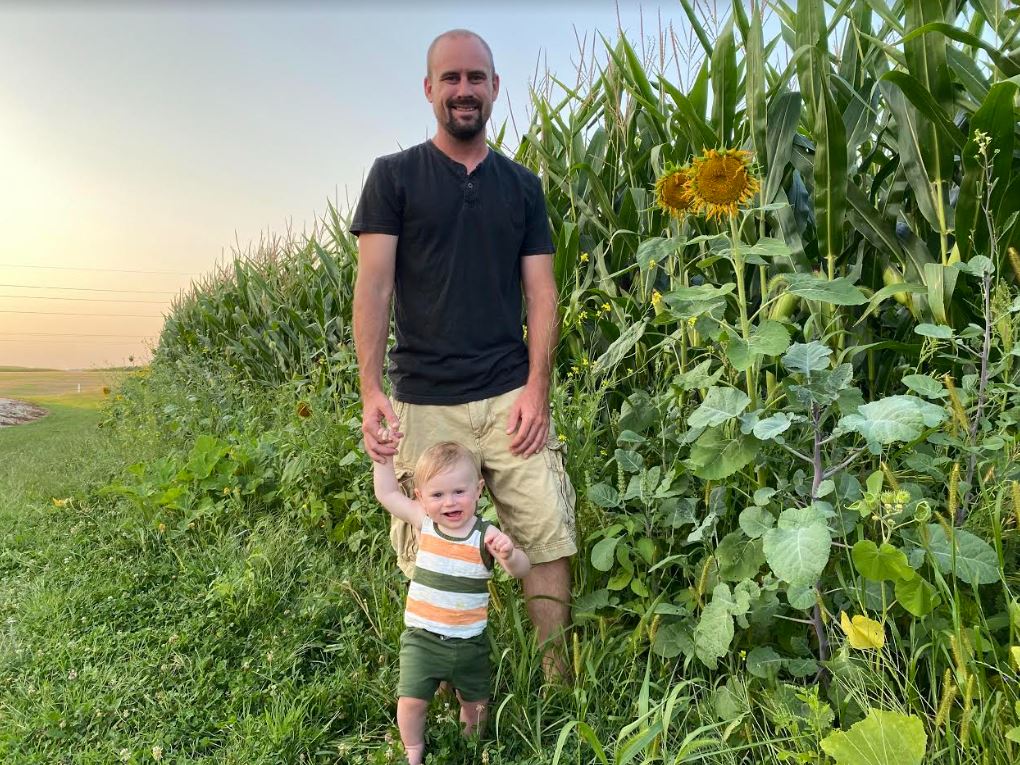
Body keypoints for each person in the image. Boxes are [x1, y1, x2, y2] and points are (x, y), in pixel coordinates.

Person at [350, 28, 576, 679]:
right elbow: (374, 286)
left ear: (495, 88)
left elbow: (542, 293)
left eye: (476, 77)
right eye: (450, 78)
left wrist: (538, 388)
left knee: (545, 531)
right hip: (425, 399)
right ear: (429, 90)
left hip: (511, 395)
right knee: (433, 550)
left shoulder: (522, 187)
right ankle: (445, 680)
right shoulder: (394, 178)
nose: (464, 90)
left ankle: (556, 678)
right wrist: (371, 389)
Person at [373, 440, 530, 763]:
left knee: (476, 705)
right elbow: (387, 494)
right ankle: (413, 749)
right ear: (420, 498)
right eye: (438, 495)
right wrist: (384, 459)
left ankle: (467, 747)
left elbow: (521, 570)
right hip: (423, 639)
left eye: (459, 491)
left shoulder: (485, 535)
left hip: (470, 644)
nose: (450, 503)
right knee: (411, 701)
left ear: (478, 490)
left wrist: (509, 553)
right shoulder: (426, 524)